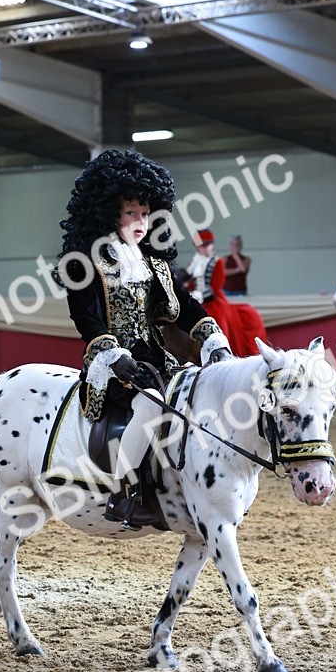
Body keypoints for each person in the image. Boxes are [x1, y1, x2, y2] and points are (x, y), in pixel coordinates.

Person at [59, 150, 231, 529]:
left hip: (156, 358)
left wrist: (212, 339)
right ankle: (123, 494)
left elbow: (185, 307)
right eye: (131, 212)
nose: (140, 221)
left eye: (145, 212)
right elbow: (86, 320)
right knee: (153, 404)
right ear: (108, 212)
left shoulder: (153, 263)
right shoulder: (84, 262)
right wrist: (112, 354)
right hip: (112, 365)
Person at [186, 229, 268, 359]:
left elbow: (215, 287)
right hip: (196, 301)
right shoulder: (193, 264)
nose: (205, 248)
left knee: (221, 324)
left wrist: (197, 295)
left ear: (212, 245)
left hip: (214, 302)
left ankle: (224, 354)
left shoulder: (218, 262)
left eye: (208, 244)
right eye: (202, 245)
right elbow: (190, 284)